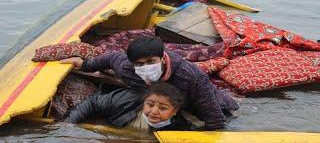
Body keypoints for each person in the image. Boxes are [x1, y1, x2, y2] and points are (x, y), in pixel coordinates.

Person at [61, 36, 239, 130]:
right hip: (155, 100)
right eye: (139, 64)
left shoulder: (190, 76)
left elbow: (213, 116)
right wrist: (84, 64)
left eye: (150, 61)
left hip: (199, 106)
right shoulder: (126, 68)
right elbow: (109, 59)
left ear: (162, 58)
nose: (145, 67)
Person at [64, 82, 202, 131]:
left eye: (163, 108)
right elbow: (93, 102)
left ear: (175, 111)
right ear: (144, 102)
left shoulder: (183, 126)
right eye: (150, 104)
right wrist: (69, 125)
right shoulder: (124, 101)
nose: (154, 111)